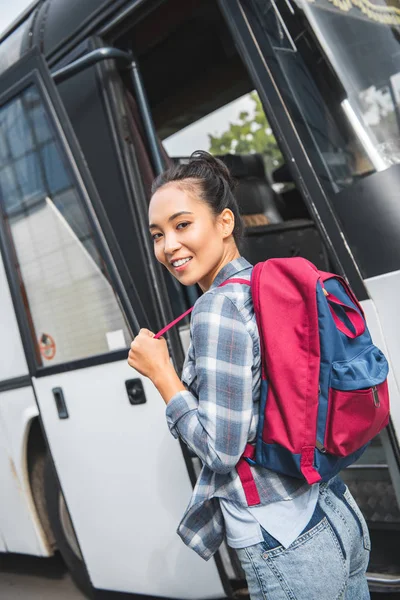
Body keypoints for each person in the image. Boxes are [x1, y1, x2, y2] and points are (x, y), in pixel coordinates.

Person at [127, 151, 371, 599]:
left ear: (224, 223)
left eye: (182, 225)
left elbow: (221, 451)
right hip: (334, 511)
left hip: (285, 536)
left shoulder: (216, 308)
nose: (169, 246)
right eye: (158, 234)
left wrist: (162, 374)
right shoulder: (261, 286)